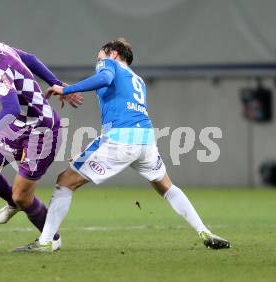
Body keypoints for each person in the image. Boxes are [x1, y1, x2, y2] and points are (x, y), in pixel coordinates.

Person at [14, 38, 231, 252]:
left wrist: (66, 90)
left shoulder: (109, 64)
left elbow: (105, 78)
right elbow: (121, 108)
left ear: (114, 54)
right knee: (167, 187)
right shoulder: (137, 80)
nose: (98, 62)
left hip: (120, 140)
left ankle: (45, 242)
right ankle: (204, 231)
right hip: (145, 140)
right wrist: (91, 149)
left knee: (65, 181)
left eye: (99, 57)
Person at [0, 16, 82, 251]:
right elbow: (31, 60)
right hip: (20, 125)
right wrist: (56, 83)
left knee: (23, 196)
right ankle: (11, 203)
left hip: (42, 129)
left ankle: (50, 241)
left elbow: (11, 110)